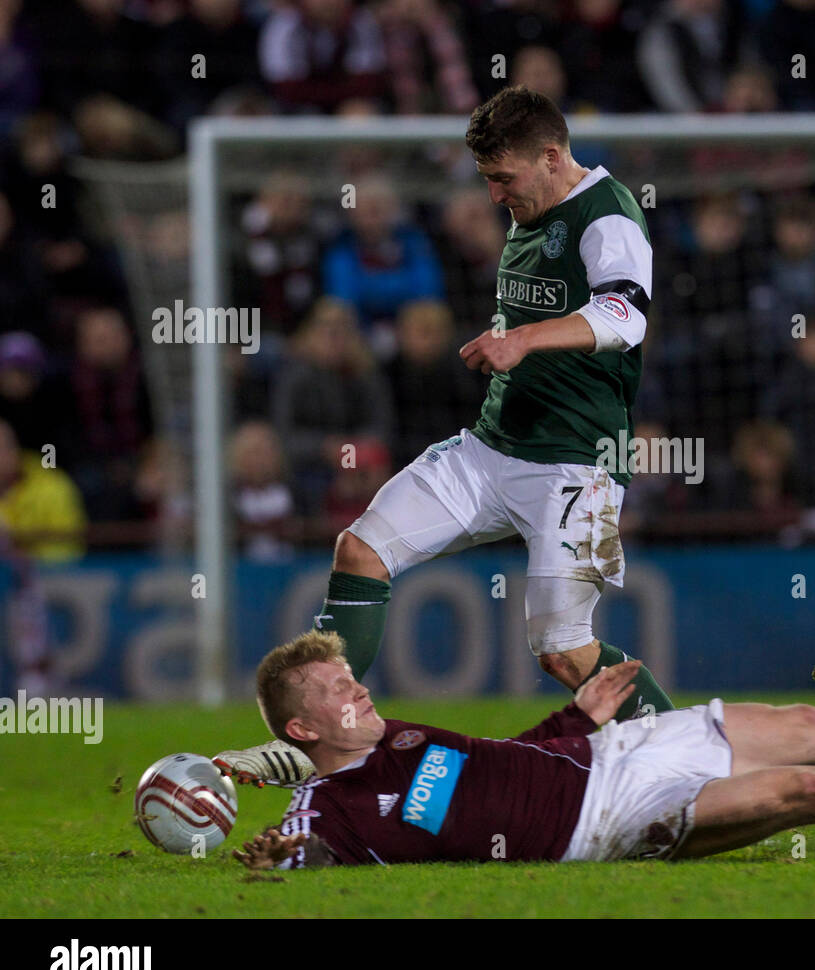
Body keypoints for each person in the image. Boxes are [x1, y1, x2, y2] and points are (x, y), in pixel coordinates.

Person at [217, 86, 670, 786]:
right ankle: (316, 745)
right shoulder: (529, 209)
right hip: (490, 448)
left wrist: (522, 340)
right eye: (487, 179)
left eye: (503, 178)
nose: (494, 195)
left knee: (563, 651)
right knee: (361, 549)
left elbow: (627, 313)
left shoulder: (609, 216)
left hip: (578, 465)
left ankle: (689, 761)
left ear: (551, 157)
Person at [233, 630, 815, 868]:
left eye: (353, 676)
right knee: (806, 790)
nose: (362, 690)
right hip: (607, 825)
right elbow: (300, 847)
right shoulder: (333, 811)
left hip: (611, 757)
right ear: (303, 729)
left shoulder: (409, 735)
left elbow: (506, 763)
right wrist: (280, 855)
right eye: (341, 690)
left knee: (806, 724)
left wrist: (576, 717)